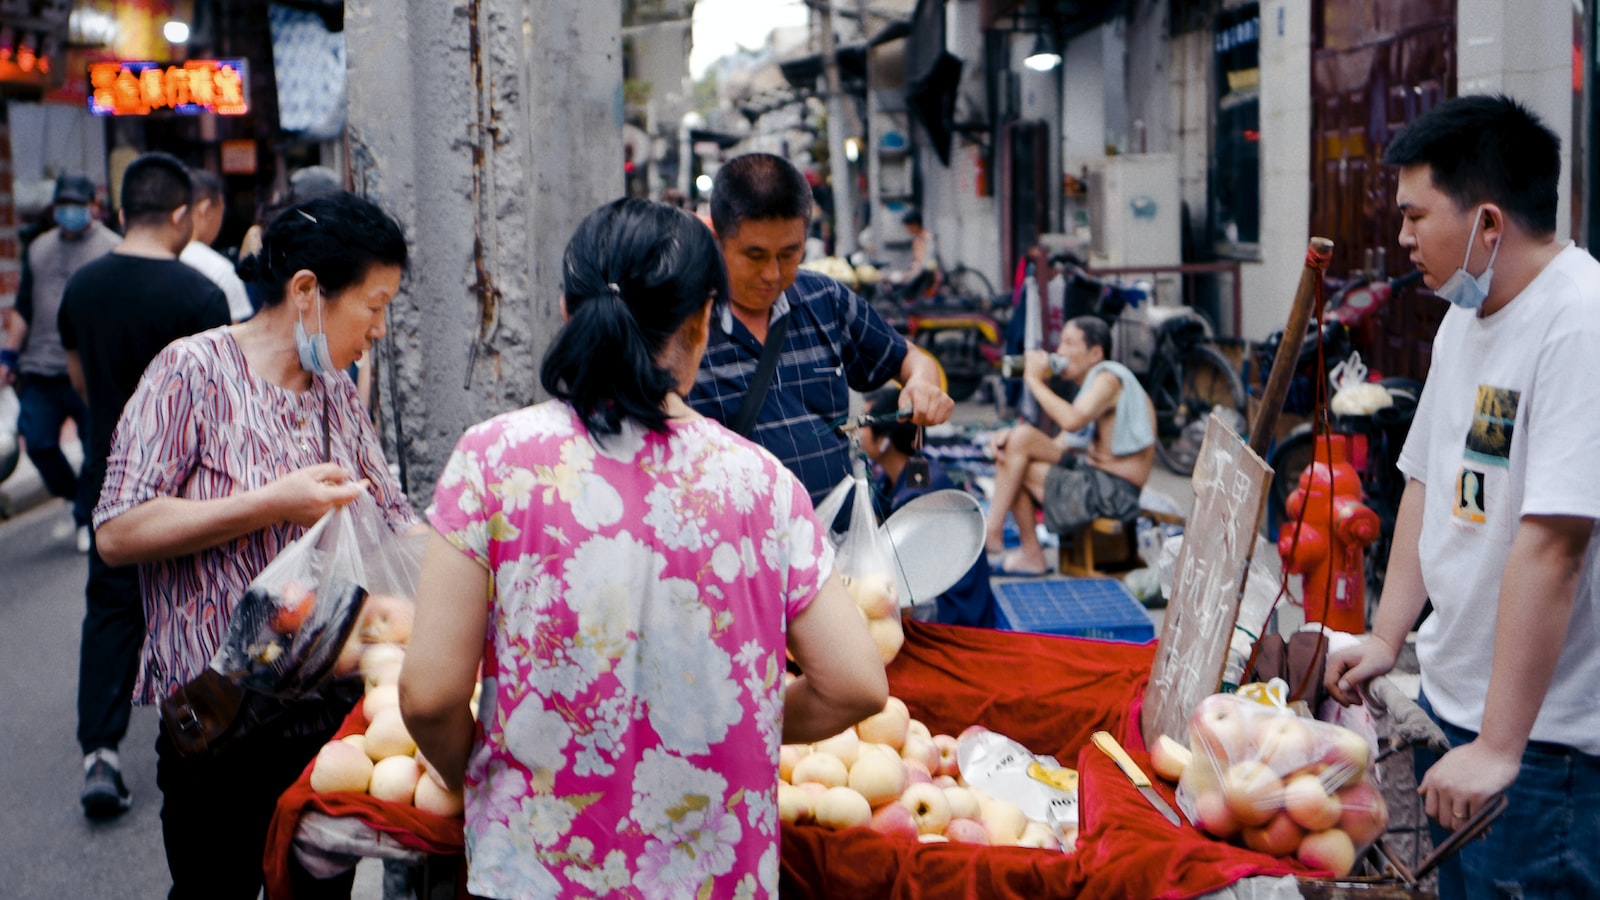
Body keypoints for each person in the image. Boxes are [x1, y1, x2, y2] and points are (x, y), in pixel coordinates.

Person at [400, 198, 887, 899]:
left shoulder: (494, 460)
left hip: (532, 871)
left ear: (570, 313)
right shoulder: (761, 485)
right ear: (700, 323)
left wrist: (476, 772)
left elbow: (426, 694)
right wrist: (742, 721)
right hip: (713, 878)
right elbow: (858, 683)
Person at [93, 191, 415, 899]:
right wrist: (270, 505)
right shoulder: (191, 371)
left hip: (324, 722)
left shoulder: (334, 392)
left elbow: (393, 517)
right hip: (220, 724)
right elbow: (118, 530)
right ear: (307, 291)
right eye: (373, 304)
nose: (379, 330)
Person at [1324, 94, 1600, 899]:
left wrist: (1502, 745)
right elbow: (1423, 484)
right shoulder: (1463, 318)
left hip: (1543, 752)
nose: (1402, 237)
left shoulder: (1578, 323)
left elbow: (1555, 545)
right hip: (1460, 715)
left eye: (1415, 216)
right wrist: (1386, 638)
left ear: (1487, 221)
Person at [57, 152, 232, 820]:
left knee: (109, 611)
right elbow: (219, 403)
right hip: (186, 485)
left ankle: (100, 754)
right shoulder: (200, 297)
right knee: (194, 606)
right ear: (183, 215)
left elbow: (78, 380)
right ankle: (198, 734)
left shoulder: (83, 287)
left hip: (110, 475)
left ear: (122, 211)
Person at [688, 152, 954, 503]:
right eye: (755, 256)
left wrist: (922, 384)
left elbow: (910, 358)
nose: (772, 274)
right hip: (738, 549)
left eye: (788, 254)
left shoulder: (825, 300)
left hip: (836, 544)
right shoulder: (687, 322)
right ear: (718, 240)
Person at [0, 174, 121, 551]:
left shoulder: (111, 247)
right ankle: (74, 498)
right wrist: (8, 356)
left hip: (88, 369)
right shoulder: (37, 248)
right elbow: (24, 307)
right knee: (36, 442)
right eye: (63, 205)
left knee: (92, 451)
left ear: (92, 207)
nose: (70, 212)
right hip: (41, 366)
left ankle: (87, 517)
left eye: (77, 205)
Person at [982, 316, 1154, 576]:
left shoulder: (1108, 379)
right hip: (1094, 480)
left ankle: (1003, 540)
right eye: (1060, 343)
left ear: (1095, 353)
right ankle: (1005, 539)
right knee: (1017, 445)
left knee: (1018, 460)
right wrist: (1009, 438)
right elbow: (1055, 445)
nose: (1059, 352)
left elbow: (1072, 421)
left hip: (1114, 494)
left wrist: (1033, 380)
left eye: (1069, 343)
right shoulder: (1091, 387)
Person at [860, 387, 997, 627]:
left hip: (953, 611)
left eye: (863, 424)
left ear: (884, 440)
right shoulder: (898, 475)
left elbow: (907, 591)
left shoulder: (918, 497)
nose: (856, 432)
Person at [178, 168, 253, 322]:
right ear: (205, 209)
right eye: (221, 211)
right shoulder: (221, 271)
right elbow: (234, 338)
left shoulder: (157, 262)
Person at [886, 208, 939, 301]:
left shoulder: (927, 238)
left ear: (915, 224)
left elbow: (925, 261)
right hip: (916, 271)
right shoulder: (916, 238)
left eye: (908, 226)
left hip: (923, 274)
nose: (907, 229)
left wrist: (907, 275)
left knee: (898, 288)